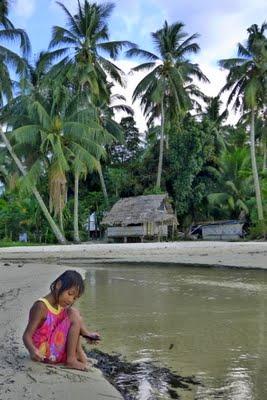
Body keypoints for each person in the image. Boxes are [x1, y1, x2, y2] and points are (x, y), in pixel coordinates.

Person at [23, 270, 100, 371]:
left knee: (73, 313)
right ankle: (72, 360)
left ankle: (81, 352)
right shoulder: (41, 306)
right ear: (59, 285)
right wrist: (32, 350)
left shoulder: (59, 305)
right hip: (44, 353)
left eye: (74, 298)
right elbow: (26, 336)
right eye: (70, 294)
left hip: (54, 349)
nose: (70, 300)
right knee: (73, 313)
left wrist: (85, 334)